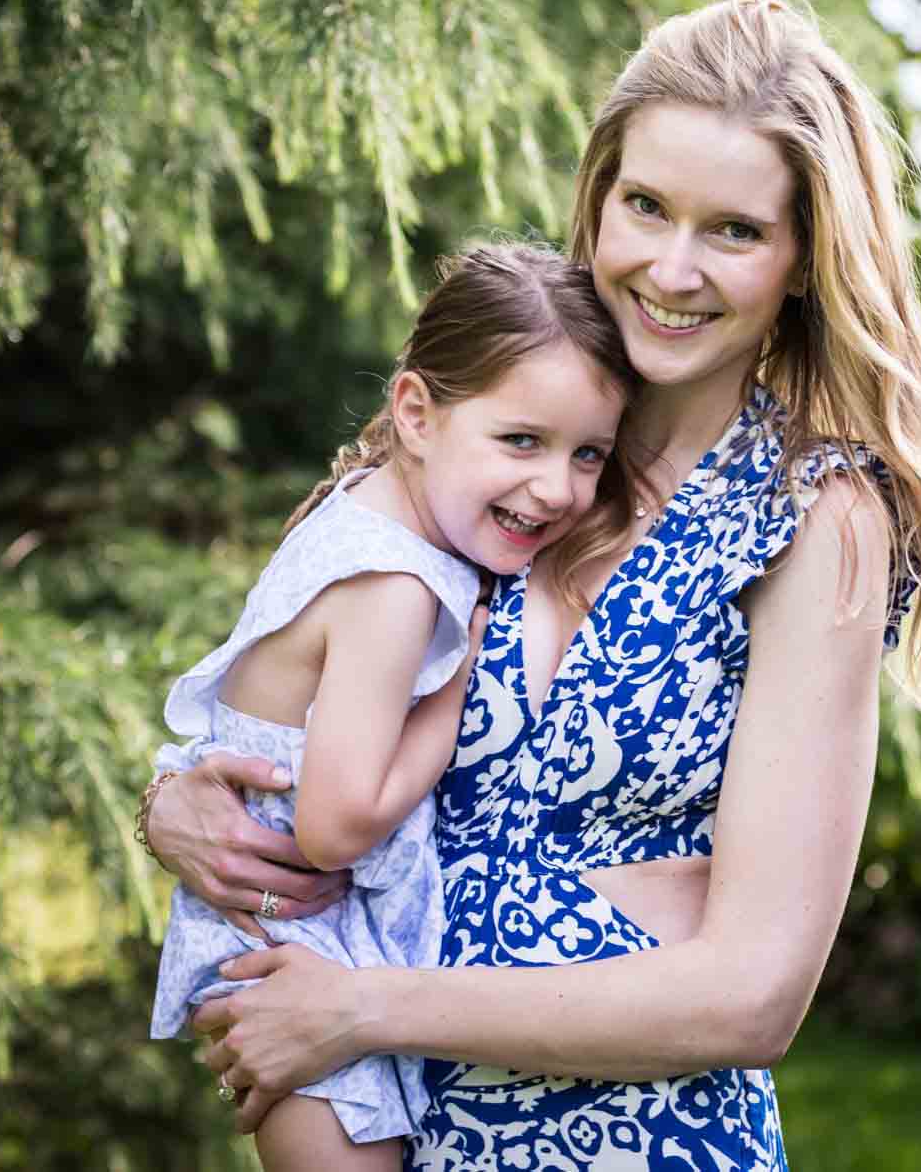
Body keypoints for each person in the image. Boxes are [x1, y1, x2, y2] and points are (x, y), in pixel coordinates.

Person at [140, 0, 921, 1170]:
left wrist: (363, 1006)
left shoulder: (810, 517)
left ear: (801, 260)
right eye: (644, 206)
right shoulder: (495, 438)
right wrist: (179, 801)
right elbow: (304, 682)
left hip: (634, 1140)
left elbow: (750, 995)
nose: (671, 269)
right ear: (597, 200)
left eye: (733, 230)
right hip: (390, 1126)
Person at [144, 243, 641, 1171]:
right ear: (416, 412)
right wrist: (454, 693)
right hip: (296, 948)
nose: (559, 488)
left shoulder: (363, 509)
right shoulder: (395, 587)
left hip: (304, 940)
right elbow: (335, 827)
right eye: (522, 440)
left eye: (589, 455)